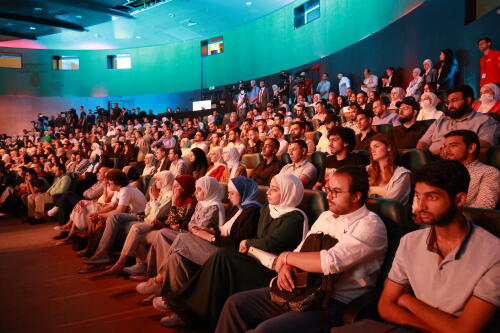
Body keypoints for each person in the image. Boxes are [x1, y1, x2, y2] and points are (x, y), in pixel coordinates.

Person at [216, 166, 388, 333]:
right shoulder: (326, 216)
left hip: (334, 303)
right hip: (301, 288)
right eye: (328, 189)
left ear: (356, 196)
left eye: (336, 191)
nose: (328, 196)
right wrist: (286, 267)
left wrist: (285, 257)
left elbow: (331, 262)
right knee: (235, 304)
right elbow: (301, 249)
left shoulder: (370, 225)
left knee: (266, 330)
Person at [161, 174, 308, 329]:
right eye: (269, 187)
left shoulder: (295, 217)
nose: (268, 192)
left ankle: (187, 310)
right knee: (213, 257)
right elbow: (257, 239)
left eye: (274, 189)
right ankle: (187, 309)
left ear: (287, 192)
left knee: (222, 255)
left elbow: (270, 243)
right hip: (253, 258)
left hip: (272, 270)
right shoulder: (267, 209)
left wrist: (248, 243)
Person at [372, 160, 500, 333]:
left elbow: (464, 330)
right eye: (418, 196)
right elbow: (385, 306)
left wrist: (408, 300)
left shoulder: (494, 254)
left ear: (459, 199)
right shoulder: (410, 241)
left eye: (432, 197)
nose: (421, 206)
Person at [149, 177, 262, 312]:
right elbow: (225, 233)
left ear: (243, 192)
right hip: (220, 247)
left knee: (183, 239)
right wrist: (211, 231)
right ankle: (174, 303)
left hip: (227, 256)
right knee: (176, 258)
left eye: (232, 193)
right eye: (229, 192)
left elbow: (236, 243)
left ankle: (158, 279)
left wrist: (211, 237)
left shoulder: (252, 212)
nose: (228, 196)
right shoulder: (237, 208)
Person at [100, 171, 175, 275]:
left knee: (135, 228)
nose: (155, 182)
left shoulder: (170, 195)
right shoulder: (162, 193)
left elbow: (156, 215)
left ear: (165, 181)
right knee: (129, 227)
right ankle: (140, 265)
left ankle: (121, 263)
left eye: (158, 180)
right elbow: (147, 211)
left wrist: (153, 199)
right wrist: (153, 201)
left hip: (157, 223)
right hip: (146, 220)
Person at [78, 169, 147, 273]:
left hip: (139, 216)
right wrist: (97, 214)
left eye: (109, 181)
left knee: (112, 218)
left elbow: (119, 211)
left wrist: (101, 216)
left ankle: (102, 253)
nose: (106, 183)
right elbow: (111, 206)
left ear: (117, 182)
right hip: (130, 215)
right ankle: (94, 252)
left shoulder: (126, 190)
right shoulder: (119, 190)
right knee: (98, 219)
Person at [417, 85, 500, 155]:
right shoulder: (440, 121)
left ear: (468, 101)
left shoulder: (486, 121)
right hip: (432, 163)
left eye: (454, 100)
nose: (450, 105)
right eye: (448, 102)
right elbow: (422, 143)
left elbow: (481, 150)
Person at [442, 130, 499, 209]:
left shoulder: (489, 172)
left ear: (471, 148)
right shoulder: (441, 170)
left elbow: (485, 206)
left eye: (453, 145)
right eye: (444, 146)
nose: (446, 151)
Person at [367, 134, 412, 206]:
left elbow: (390, 203)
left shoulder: (402, 174)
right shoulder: (366, 170)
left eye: (376, 146)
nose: (372, 151)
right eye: (371, 148)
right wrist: (382, 193)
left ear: (388, 148)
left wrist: (370, 192)